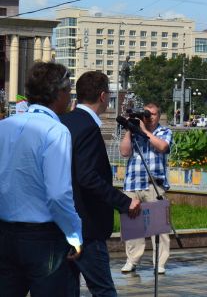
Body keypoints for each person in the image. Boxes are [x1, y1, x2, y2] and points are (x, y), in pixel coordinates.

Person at [0, 62, 83, 296]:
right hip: (43, 238)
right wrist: (74, 234)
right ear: (59, 93)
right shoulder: (55, 131)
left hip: (5, 234)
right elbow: (58, 194)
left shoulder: (4, 127)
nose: (70, 97)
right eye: (69, 91)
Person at [61, 71, 141, 296]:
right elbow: (88, 177)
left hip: (61, 223)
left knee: (67, 289)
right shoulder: (88, 127)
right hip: (87, 226)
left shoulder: (64, 121)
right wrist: (123, 202)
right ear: (103, 96)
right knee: (104, 290)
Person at [119, 102, 173, 273]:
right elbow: (124, 152)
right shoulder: (134, 132)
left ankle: (160, 263)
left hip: (153, 185)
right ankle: (132, 260)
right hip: (133, 183)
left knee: (159, 227)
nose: (149, 117)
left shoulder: (164, 131)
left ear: (159, 116)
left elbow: (163, 147)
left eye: (153, 114)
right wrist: (130, 128)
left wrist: (144, 131)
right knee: (132, 226)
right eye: (146, 114)